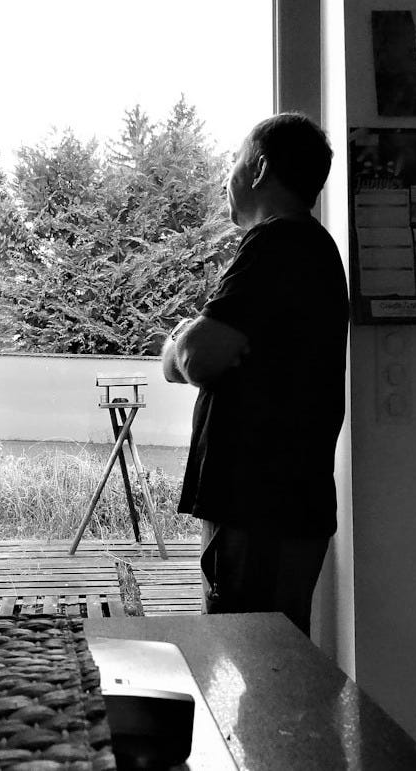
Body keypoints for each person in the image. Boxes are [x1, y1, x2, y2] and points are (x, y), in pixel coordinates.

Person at [160, 112, 349, 637]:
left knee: (247, 658)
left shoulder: (275, 243)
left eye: (235, 160)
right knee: (280, 663)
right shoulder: (312, 246)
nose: (228, 176)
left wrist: (179, 338)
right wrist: (197, 343)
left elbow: (194, 360)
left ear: (260, 167)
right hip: (288, 501)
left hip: (255, 505)